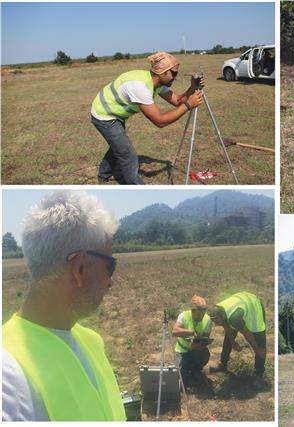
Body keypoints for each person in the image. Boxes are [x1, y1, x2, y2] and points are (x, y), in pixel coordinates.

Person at [2, 191, 125, 421]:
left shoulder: (90, 341)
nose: (111, 281)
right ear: (79, 269)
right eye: (110, 266)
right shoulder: (8, 378)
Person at [91, 51, 205, 184]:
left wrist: (192, 88)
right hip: (104, 115)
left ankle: (104, 174)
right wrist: (188, 105)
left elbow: (177, 100)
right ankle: (135, 187)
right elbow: (159, 121)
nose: (176, 77)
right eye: (174, 73)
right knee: (128, 156)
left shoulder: (156, 82)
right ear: (163, 72)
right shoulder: (140, 87)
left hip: (115, 114)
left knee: (118, 146)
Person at [209, 292, 267, 377]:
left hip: (254, 305)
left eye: (216, 321)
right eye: (214, 321)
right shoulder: (219, 309)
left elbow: (246, 333)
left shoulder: (234, 318)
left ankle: (259, 374)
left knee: (260, 345)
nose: (216, 324)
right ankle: (223, 364)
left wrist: (256, 348)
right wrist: (233, 342)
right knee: (228, 337)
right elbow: (226, 326)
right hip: (242, 303)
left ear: (222, 316)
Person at [172, 295, 213, 388]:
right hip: (182, 350)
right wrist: (190, 332)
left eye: (203, 314)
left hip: (196, 349)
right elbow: (174, 332)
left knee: (204, 355)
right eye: (199, 314)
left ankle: (195, 370)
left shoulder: (208, 319)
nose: (201, 317)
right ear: (192, 311)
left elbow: (205, 338)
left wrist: (198, 345)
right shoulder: (184, 315)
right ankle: (186, 370)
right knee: (181, 378)